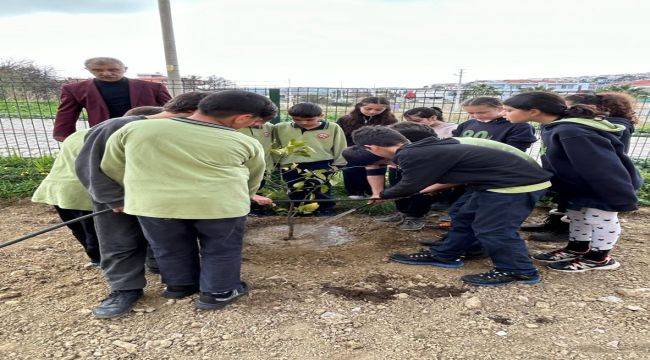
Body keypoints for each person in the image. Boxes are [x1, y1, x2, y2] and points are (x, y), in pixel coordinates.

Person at [99, 90, 276, 312]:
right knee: (221, 248)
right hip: (220, 206)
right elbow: (253, 177)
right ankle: (218, 293)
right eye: (256, 122)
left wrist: (141, 188)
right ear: (243, 118)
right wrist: (247, 194)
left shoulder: (135, 129)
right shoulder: (243, 141)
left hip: (155, 205)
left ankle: (180, 286)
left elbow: (112, 166)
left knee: (169, 246)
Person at [353, 126, 553, 286]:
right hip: (493, 182)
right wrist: (386, 194)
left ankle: (518, 271)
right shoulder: (421, 147)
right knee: (463, 214)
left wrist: (383, 194)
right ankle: (448, 254)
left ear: (372, 148)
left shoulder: (411, 155)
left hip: (515, 184)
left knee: (493, 229)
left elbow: (411, 185)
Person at [75, 92, 210, 319]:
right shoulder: (118, 125)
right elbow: (89, 166)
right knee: (120, 241)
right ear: (192, 112)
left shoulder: (175, 130)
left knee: (166, 238)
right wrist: (115, 199)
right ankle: (125, 289)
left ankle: (163, 270)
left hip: (159, 197)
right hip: (121, 198)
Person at [503, 91, 642, 272]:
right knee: (577, 216)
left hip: (603, 186)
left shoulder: (573, 131)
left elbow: (601, 166)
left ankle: (600, 257)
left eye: (509, 110)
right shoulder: (554, 127)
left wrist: (618, 195)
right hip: (578, 185)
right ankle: (577, 247)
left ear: (534, 111)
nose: (504, 114)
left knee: (599, 219)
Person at [524, 92, 640, 243]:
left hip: (597, 180)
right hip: (574, 176)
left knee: (595, 216)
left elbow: (602, 161)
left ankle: (592, 250)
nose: (563, 111)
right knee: (573, 208)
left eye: (567, 106)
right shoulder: (565, 126)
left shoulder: (601, 127)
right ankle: (562, 229)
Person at [53, 57, 171, 141]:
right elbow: (66, 115)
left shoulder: (153, 88)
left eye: (113, 70)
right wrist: (66, 138)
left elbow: (174, 109)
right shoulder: (75, 90)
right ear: (88, 69)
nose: (106, 73)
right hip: (105, 134)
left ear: (125, 69)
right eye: (98, 70)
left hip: (145, 133)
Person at [31, 129, 101, 267]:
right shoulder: (111, 135)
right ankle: (99, 258)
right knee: (93, 228)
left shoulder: (78, 134)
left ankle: (94, 257)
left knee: (76, 226)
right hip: (81, 190)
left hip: (55, 188)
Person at [274, 102, 347, 216]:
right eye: (297, 119)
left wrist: (339, 164)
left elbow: (340, 146)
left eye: (309, 120)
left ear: (321, 116)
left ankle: (324, 209)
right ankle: (299, 210)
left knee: (321, 187)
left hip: (321, 163)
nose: (303, 123)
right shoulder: (281, 128)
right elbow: (276, 146)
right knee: (294, 188)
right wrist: (276, 162)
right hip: (290, 164)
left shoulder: (332, 128)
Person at [370, 122, 439, 230]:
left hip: (418, 168)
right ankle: (402, 212)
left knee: (419, 191)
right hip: (397, 167)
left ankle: (416, 216)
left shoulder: (423, 152)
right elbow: (373, 167)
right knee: (396, 186)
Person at [337, 97, 397, 198]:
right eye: (368, 109)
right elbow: (341, 136)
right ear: (359, 106)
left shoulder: (390, 121)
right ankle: (355, 192)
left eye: (378, 110)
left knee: (377, 171)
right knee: (352, 170)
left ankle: (374, 192)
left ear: (385, 109)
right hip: (352, 151)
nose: (373, 112)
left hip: (378, 152)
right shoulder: (345, 119)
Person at [454, 97, 537, 151]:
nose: (475, 115)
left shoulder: (519, 126)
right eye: (471, 113)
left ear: (500, 109)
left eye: (482, 112)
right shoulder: (467, 124)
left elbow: (515, 152)